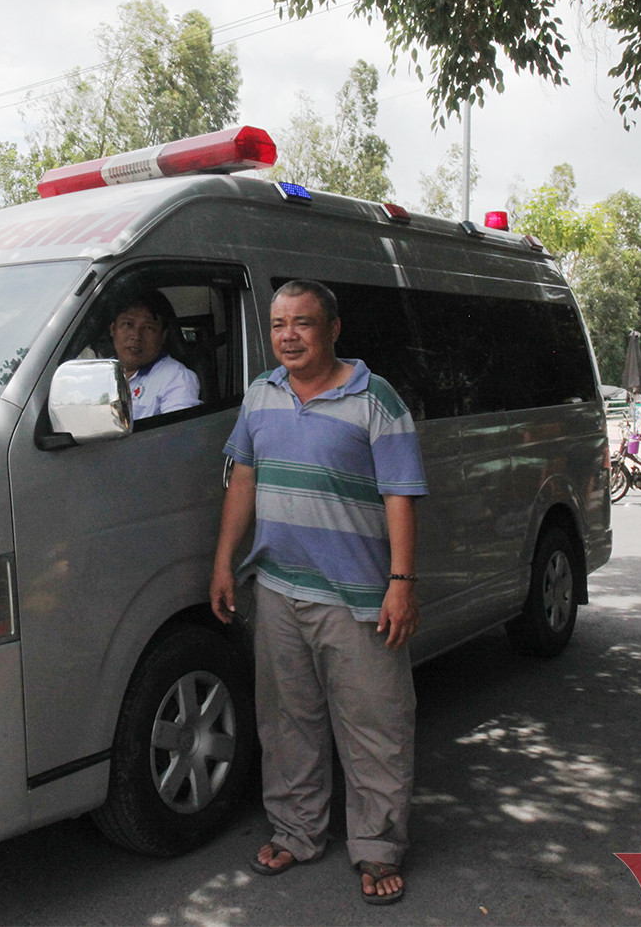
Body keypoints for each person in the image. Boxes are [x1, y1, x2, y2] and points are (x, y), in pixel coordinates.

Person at [209, 279, 428, 906]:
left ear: (332, 329)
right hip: (278, 587)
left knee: (374, 727)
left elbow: (401, 494)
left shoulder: (375, 399)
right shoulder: (261, 395)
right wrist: (225, 562)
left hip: (357, 597)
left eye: (303, 323)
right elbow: (244, 478)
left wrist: (401, 584)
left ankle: (378, 849)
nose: (288, 336)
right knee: (286, 723)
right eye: (279, 324)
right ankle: (298, 831)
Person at [108, 292, 200, 419]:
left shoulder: (176, 377)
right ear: (113, 329)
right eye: (128, 324)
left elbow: (179, 433)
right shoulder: (98, 372)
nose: (136, 336)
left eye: (148, 328)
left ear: (163, 336)